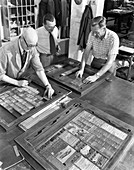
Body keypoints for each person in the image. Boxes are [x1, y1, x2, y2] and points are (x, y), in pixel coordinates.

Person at [0, 27, 54, 99]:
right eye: (30, 45)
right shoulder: (5, 50)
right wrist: (17, 83)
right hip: (6, 84)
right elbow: (0, 74)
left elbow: (38, 68)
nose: (32, 48)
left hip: (21, 81)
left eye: (34, 45)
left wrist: (47, 85)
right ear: (22, 39)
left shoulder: (32, 47)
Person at [76, 16, 119, 83]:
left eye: (96, 32)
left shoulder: (113, 37)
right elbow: (86, 53)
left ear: (103, 28)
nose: (94, 34)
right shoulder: (92, 34)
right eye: (92, 31)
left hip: (108, 65)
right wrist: (81, 69)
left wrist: (96, 76)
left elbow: (110, 61)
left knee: (106, 87)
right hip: (96, 61)